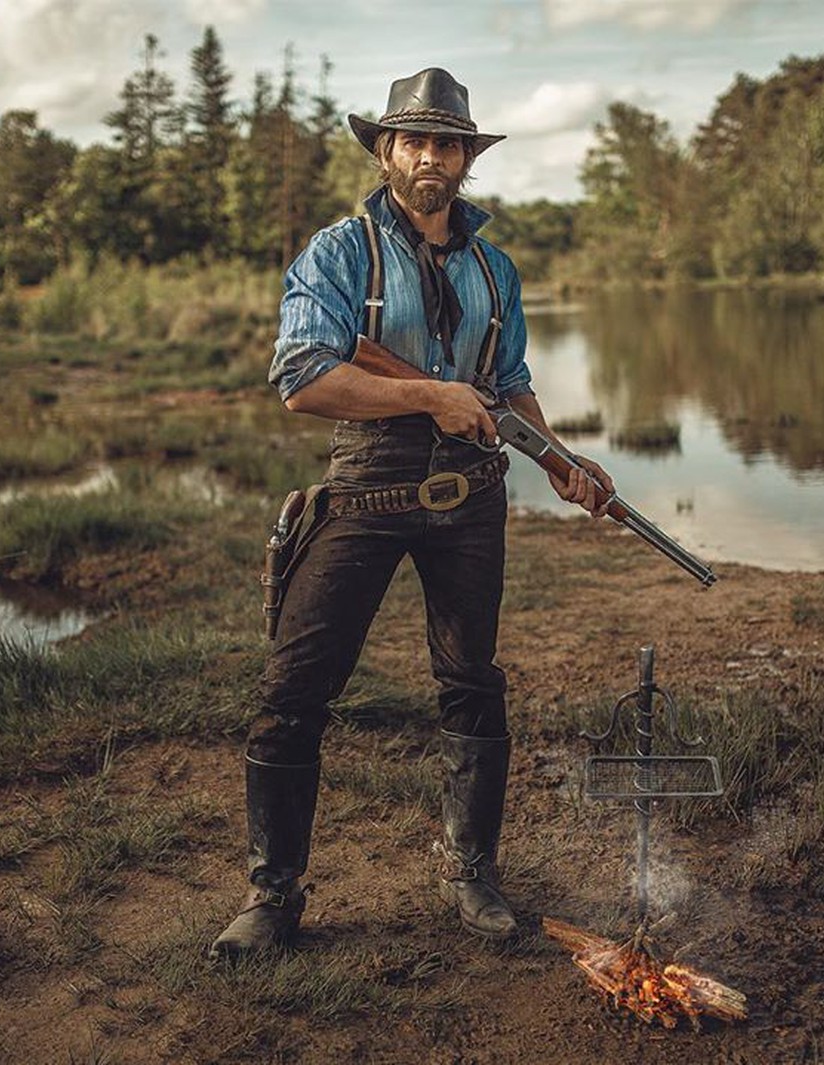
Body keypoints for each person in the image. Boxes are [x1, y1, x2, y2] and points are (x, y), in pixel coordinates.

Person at [209, 67, 614, 962]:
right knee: (293, 690)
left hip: (472, 497)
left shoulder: (496, 269)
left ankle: (472, 873)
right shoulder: (338, 251)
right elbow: (303, 379)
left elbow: (507, 389)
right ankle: (272, 896)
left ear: (468, 158)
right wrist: (431, 394)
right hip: (366, 484)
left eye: (448, 143)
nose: (431, 157)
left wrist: (561, 462)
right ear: (388, 151)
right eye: (415, 140)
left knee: (473, 682)